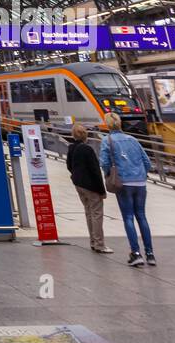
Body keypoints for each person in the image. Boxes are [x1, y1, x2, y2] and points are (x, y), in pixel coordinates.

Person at [100, 113, 155, 267]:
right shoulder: (133, 140)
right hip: (140, 183)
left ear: (108, 125)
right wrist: (140, 174)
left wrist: (109, 175)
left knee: (128, 217)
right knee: (142, 217)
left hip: (123, 183)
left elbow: (104, 163)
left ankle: (136, 253)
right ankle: (150, 254)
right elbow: (147, 162)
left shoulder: (107, 141)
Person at [66, 122, 112, 253]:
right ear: (85, 135)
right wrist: (102, 191)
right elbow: (95, 171)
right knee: (97, 214)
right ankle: (99, 244)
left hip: (78, 185)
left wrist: (76, 176)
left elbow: (69, 166)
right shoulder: (88, 149)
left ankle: (92, 241)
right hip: (91, 186)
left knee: (88, 212)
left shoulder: (71, 148)